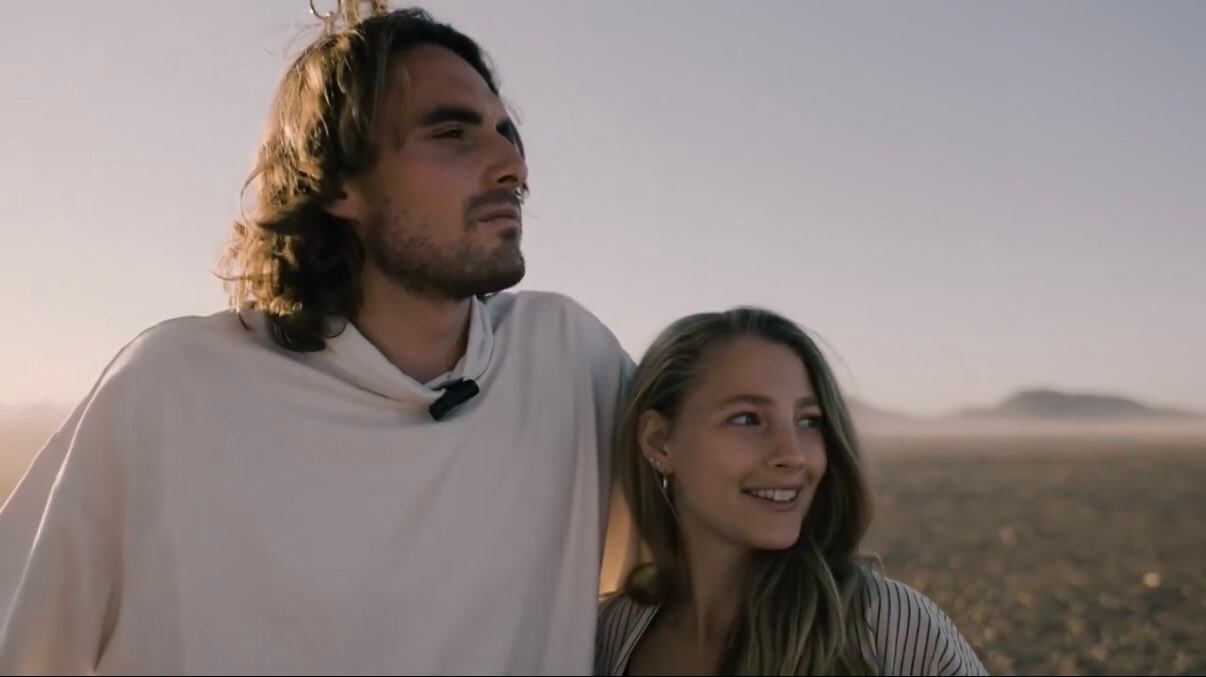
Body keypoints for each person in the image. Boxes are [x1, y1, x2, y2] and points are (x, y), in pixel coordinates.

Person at [0, 5, 632, 674]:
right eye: (453, 133)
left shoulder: (567, 360)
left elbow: (698, 586)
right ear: (336, 182)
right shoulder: (175, 390)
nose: (512, 166)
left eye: (507, 133)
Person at [596, 308, 986, 675]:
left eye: (808, 421)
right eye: (747, 419)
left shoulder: (889, 629)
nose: (793, 455)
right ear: (660, 441)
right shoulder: (610, 635)